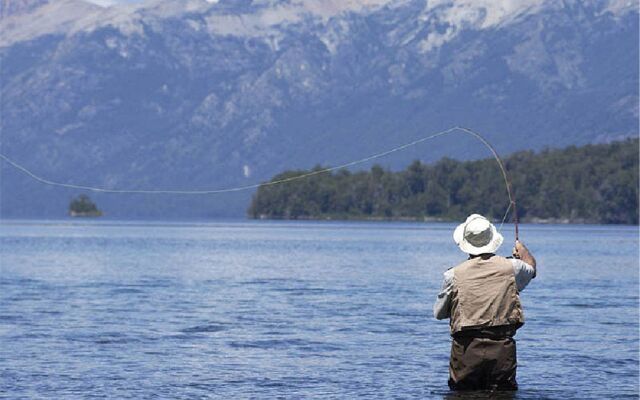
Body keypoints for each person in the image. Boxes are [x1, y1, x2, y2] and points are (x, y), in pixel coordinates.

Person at [433, 214, 536, 391]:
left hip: (466, 351)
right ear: (492, 239)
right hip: (502, 350)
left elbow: (439, 313)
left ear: (465, 244)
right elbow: (532, 269)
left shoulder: (452, 275)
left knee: (462, 395)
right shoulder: (513, 268)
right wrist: (522, 250)